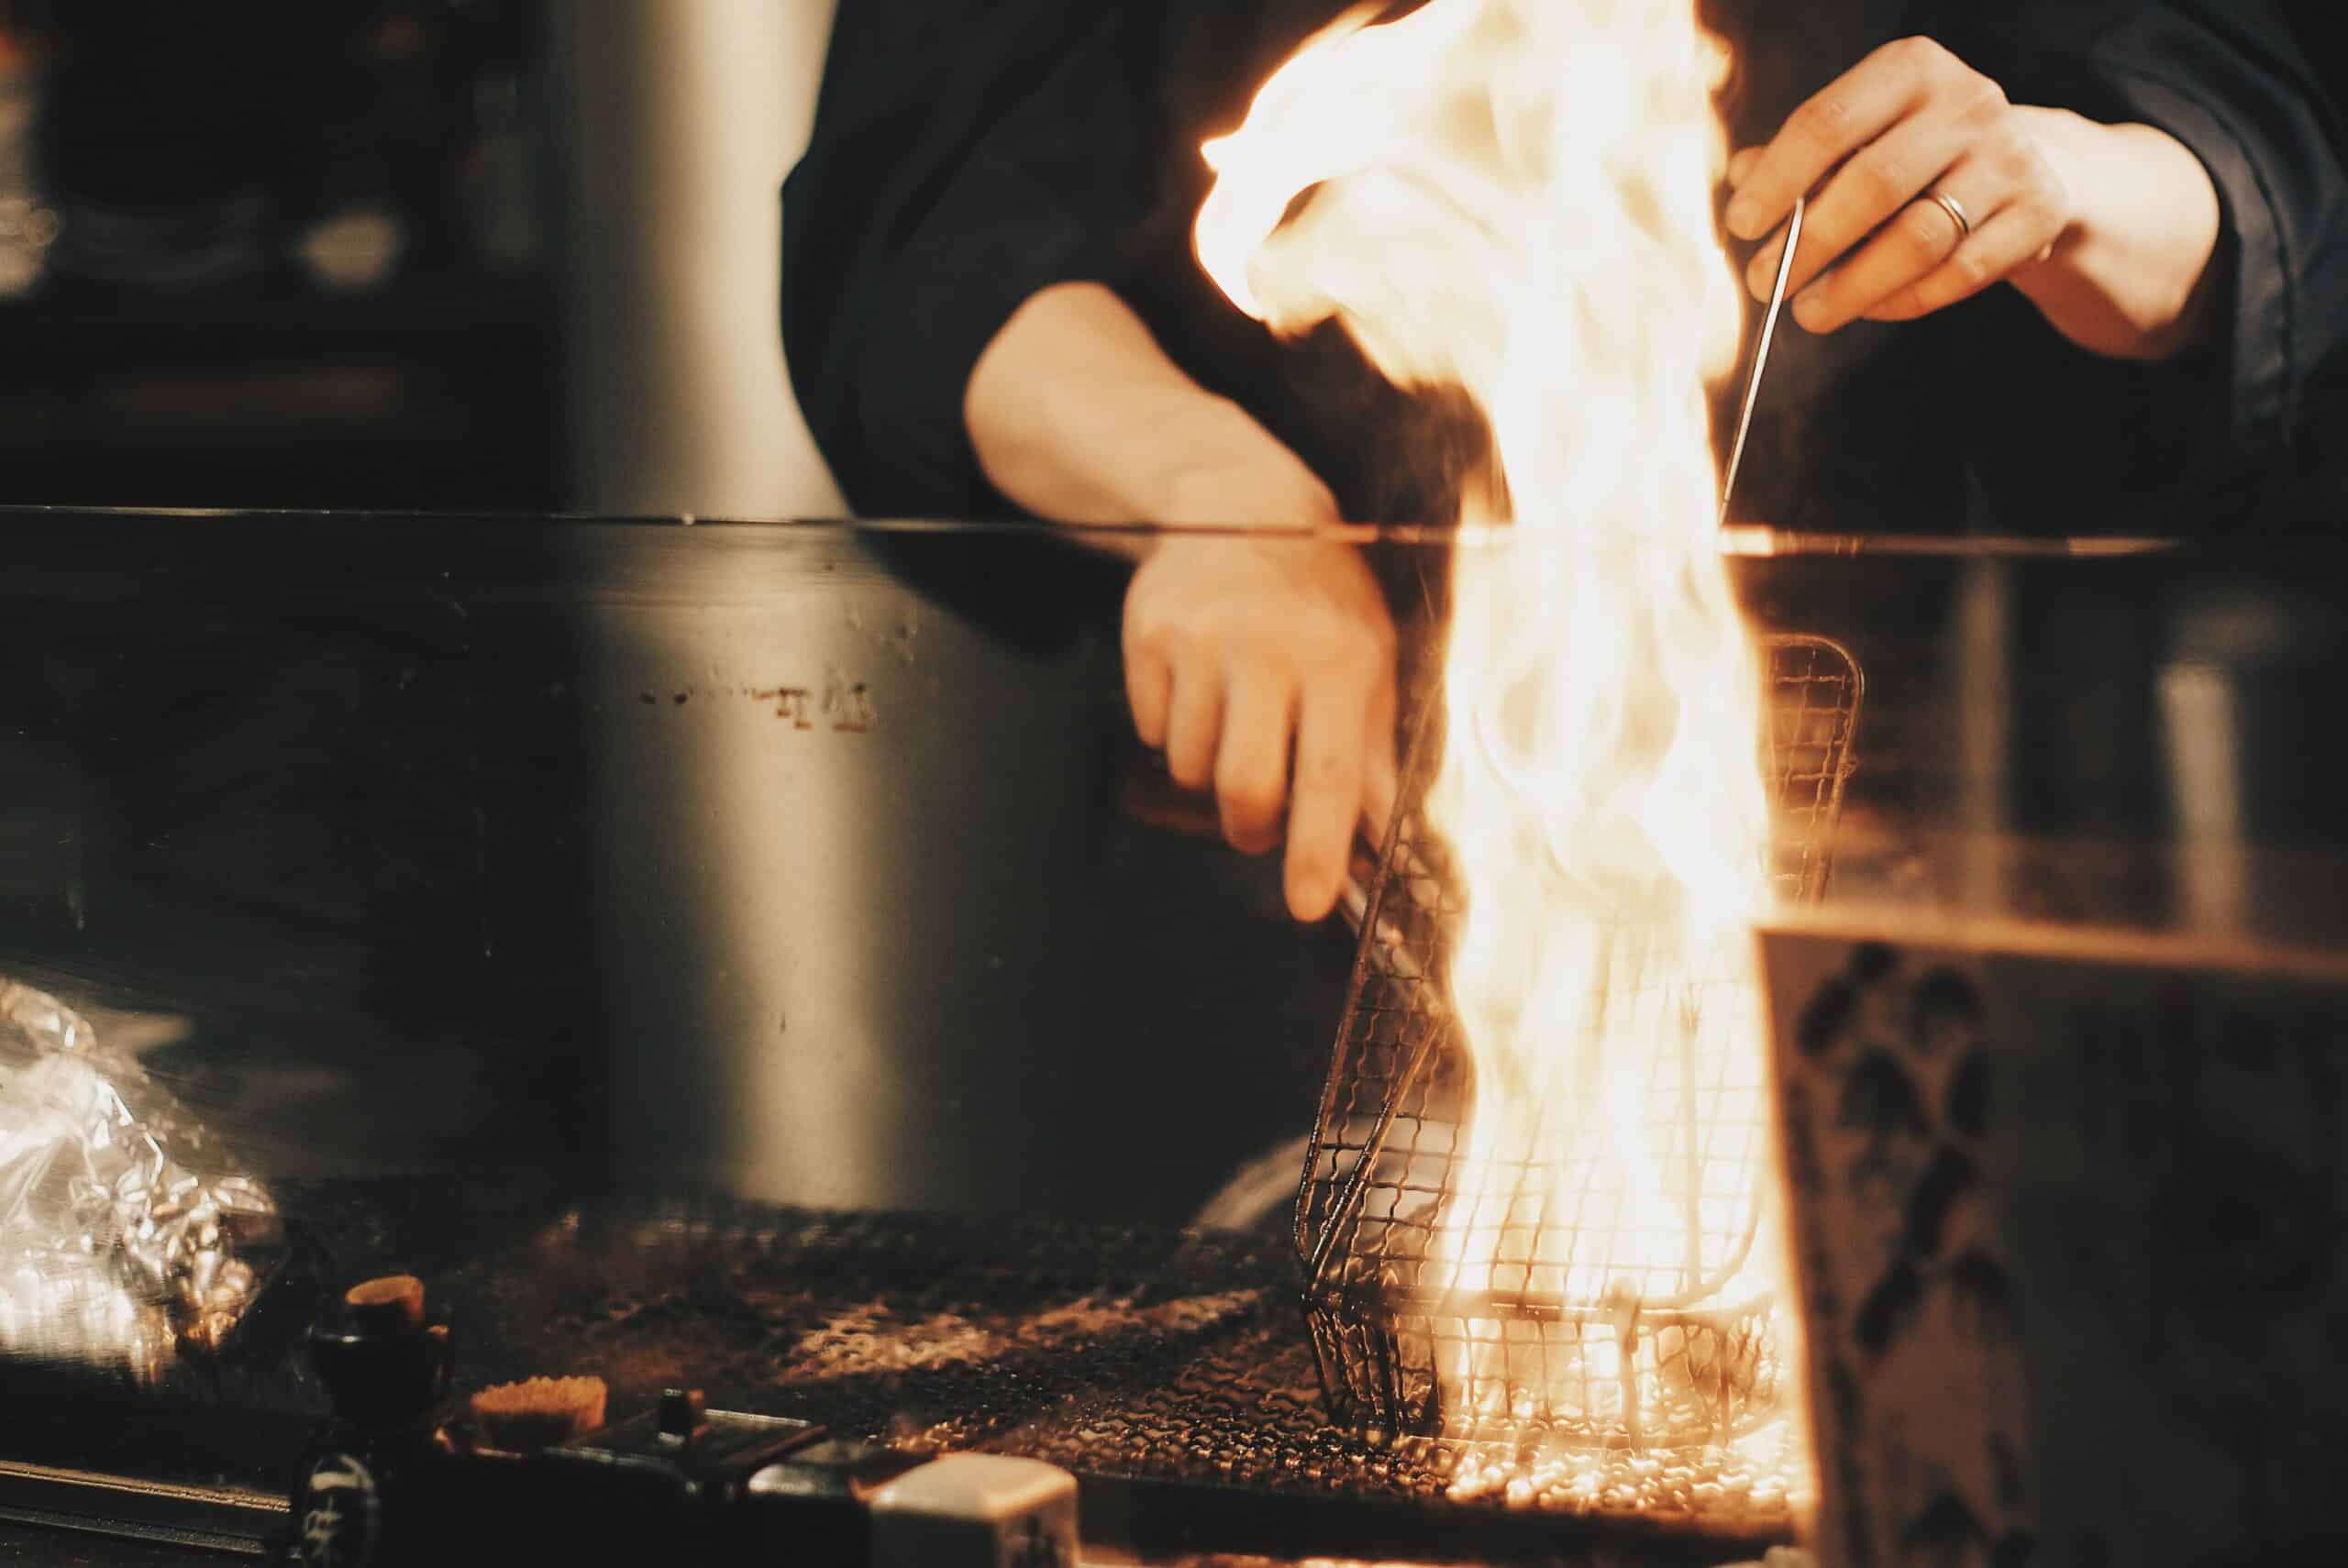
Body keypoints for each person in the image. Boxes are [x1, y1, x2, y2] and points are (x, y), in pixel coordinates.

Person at [781, 0, 2348, 924]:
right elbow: (921, 213)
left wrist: (2079, 181)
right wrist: (1217, 494)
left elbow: (2267, 132)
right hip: (1305, 863)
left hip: (1926, 855)